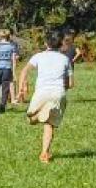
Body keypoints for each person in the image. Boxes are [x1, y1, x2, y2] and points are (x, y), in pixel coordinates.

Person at [19, 28, 74, 165]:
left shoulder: (38, 56)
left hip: (41, 93)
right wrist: (63, 87)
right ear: (61, 43)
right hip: (58, 93)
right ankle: (44, 153)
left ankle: (38, 116)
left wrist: (22, 87)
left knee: (31, 119)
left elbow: (24, 71)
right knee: (49, 124)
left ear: (45, 43)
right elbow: (71, 84)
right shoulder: (65, 59)